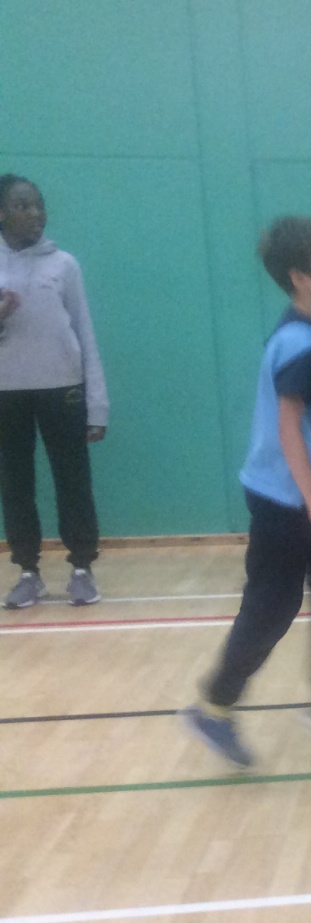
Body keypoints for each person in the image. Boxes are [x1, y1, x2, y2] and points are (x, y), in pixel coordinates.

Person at [180, 215, 311, 769]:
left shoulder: (309, 331)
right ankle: (213, 707)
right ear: (300, 277)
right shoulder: (302, 344)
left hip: (305, 495)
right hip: (286, 500)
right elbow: (288, 427)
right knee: (273, 606)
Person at [0, 174, 108, 608]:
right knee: (15, 484)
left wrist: (97, 405)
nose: (35, 213)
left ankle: (82, 568)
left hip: (63, 390)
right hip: (7, 394)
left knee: (72, 480)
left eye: (39, 204)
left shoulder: (64, 265)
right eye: (22, 205)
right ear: (2, 213)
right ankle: (28, 572)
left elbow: (85, 332)